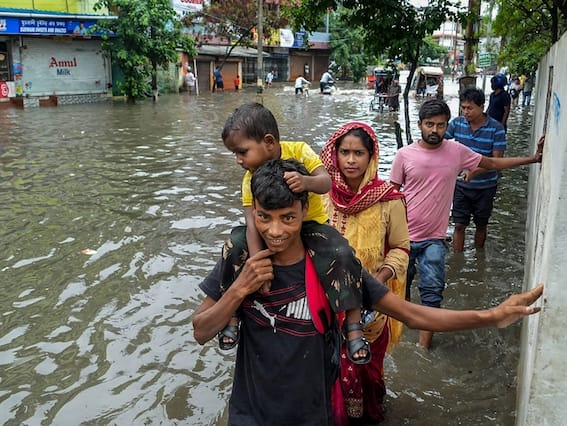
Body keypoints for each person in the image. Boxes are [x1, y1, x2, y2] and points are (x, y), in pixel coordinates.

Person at [193, 157, 544, 426]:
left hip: (315, 416)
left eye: (288, 217)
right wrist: (240, 288)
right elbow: (201, 330)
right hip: (248, 415)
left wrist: (493, 316)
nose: (276, 230)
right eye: (265, 217)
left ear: (304, 211)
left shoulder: (332, 265)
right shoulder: (240, 257)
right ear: (254, 213)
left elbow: (412, 313)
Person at [218, 102, 371, 365]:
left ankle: (354, 325)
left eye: (242, 152)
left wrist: (305, 182)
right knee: (233, 247)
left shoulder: (299, 150)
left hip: (311, 227)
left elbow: (326, 182)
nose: (239, 160)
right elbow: (252, 222)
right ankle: (232, 316)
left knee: (343, 254)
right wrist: (259, 267)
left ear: (268, 142)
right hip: (266, 232)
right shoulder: (249, 178)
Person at [389, 99, 543, 349]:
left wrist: (533, 159)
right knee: (396, 295)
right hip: (402, 239)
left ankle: (422, 349)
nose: (434, 130)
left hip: (434, 239)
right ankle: (395, 343)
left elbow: (492, 164)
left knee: (432, 295)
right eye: (429, 124)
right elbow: (391, 195)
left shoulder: (456, 151)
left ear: (447, 125)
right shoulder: (404, 155)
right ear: (419, 125)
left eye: (440, 125)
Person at [321, 122, 409, 424]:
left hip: (371, 306)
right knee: (330, 371)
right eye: (344, 152)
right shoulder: (322, 194)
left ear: (371, 156)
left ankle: (369, 415)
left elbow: (401, 248)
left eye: (358, 153)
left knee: (368, 372)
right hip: (326, 302)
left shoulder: (390, 199)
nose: (350, 160)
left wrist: (379, 280)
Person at [447, 88, 507, 253]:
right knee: (459, 225)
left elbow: (497, 160)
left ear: (482, 106)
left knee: (481, 224)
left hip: (485, 187)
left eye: (470, 108)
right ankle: (458, 260)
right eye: (463, 107)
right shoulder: (457, 123)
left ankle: (479, 255)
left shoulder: (496, 129)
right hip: (461, 186)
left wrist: (474, 172)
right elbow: (439, 140)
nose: (466, 112)